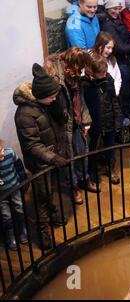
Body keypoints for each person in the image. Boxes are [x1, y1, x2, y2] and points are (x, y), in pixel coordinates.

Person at [14, 63, 70, 250]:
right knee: (42, 194)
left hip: (53, 155)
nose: (55, 98)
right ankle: (43, 228)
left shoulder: (45, 105)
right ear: (41, 96)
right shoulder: (24, 114)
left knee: (50, 189)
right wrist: (53, 158)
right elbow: (32, 145)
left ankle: (51, 211)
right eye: (52, 96)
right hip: (41, 162)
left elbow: (57, 125)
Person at [44, 46, 96, 204]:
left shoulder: (75, 75)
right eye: (79, 67)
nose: (81, 71)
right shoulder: (55, 77)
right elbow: (53, 106)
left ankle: (85, 179)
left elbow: (80, 100)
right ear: (72, 63)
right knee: (69, 158)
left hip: (76, 122)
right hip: (62, 124)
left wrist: (85, 120)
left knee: (82, 151)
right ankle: (73, 186)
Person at [100, 0, 130, 141]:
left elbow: (128, 38)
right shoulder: (108, 25)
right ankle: (125, 130)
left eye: (119, 8)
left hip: (129, 64)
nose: (117, 11)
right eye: (114, 8)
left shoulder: (118, 19)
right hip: (123, 65)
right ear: (107, 9)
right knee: (123, 99)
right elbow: (121, 48)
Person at [81, 55, 123, 185]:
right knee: (93, 149)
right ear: (92, 72)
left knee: (110, 147)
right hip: (94, 123)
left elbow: (114, 101)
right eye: (101, 73)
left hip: (109, 119)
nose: (105, 75)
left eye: (105, 72)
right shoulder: (85, 84)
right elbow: (84, 106)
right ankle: (92, 172)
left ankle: (111, 169)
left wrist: (117, 120)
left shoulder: (108, 79)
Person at [0, 140, 28, 250]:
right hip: (2, 196)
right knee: (6, 216)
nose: (1, 154)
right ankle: (11, 237)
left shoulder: (9, 153)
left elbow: (19, 167)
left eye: (1, 150)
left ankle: (22, 231)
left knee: (19, 209)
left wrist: (24, 182)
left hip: (15, 188)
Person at [90, 31, 122, 96]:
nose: (111, 51)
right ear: (100, 46)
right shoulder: (89, 57)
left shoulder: (112, 60)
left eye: (112, 48)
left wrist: (115, 93)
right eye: (108, 48)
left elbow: (117, 78)